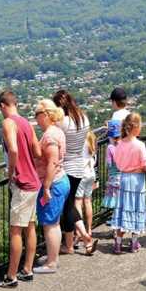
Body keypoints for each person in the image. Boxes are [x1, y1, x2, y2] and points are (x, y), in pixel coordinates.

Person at [0, 90, 42, 288]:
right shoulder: (26, 123)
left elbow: (13, 149)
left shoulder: (8, 123)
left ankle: (11, 276)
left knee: (15, 230)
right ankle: (28, 269)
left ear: (2, 106)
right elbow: (38, 151)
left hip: (22, 183)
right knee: (29, 227)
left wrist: (11, 171)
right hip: (34, 181)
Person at [52, 90, 97, 255]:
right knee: (69, 205)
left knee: (67, 207)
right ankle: (81, 238)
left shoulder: (63, 123)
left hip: (66, 167)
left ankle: (76, 241)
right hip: (80, 166)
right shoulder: (83, 118)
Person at [31, 99, 71, 274]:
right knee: (53, 222)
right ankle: (52, 256)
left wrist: (46, 188)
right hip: (60, 180)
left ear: (45, 114)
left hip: (53, 183)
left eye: (37, 115)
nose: (36, 119)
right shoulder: (56, 131)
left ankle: (52, 263)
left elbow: (52, 163)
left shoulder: (50, 136)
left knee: (50, 224)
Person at [108, 113, 146, 254]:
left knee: (122, 209)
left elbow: (118, 164)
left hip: (123, 178)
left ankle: (118, 244)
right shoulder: (140, 145)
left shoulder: (119, 144)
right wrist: (138, 168)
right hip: (137, 180)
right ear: (136, 127)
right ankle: (134, 243)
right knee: (136, 209)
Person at [73, 130, 99, 254]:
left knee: (77, 202)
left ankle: (78, 233)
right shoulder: (92, 142)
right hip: (91, 173)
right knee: (87, 201)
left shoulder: (79, 142)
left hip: (81, 173)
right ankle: (88, 230)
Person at [102, 120, 121, 209]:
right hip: (122, 175)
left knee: (114, 197)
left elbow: (109, 164)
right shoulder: (122, 145)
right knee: (120, 197)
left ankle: (115, 217)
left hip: (113, 176)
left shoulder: (110, 147)